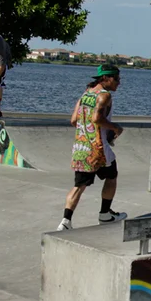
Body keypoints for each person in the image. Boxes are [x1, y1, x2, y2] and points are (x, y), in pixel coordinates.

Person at [57, 64, 128, 230]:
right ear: (106, 78)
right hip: (99, 149)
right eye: (116, 79)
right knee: (112, 177)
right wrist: (115, 128)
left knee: (78, 186)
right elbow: (97, 118)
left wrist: (85, 133)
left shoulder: (86, 94)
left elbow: (74, 120)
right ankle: (105, 215)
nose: (119, 83)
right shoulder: (104, 96)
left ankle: (65, 222)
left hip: (81, 148)